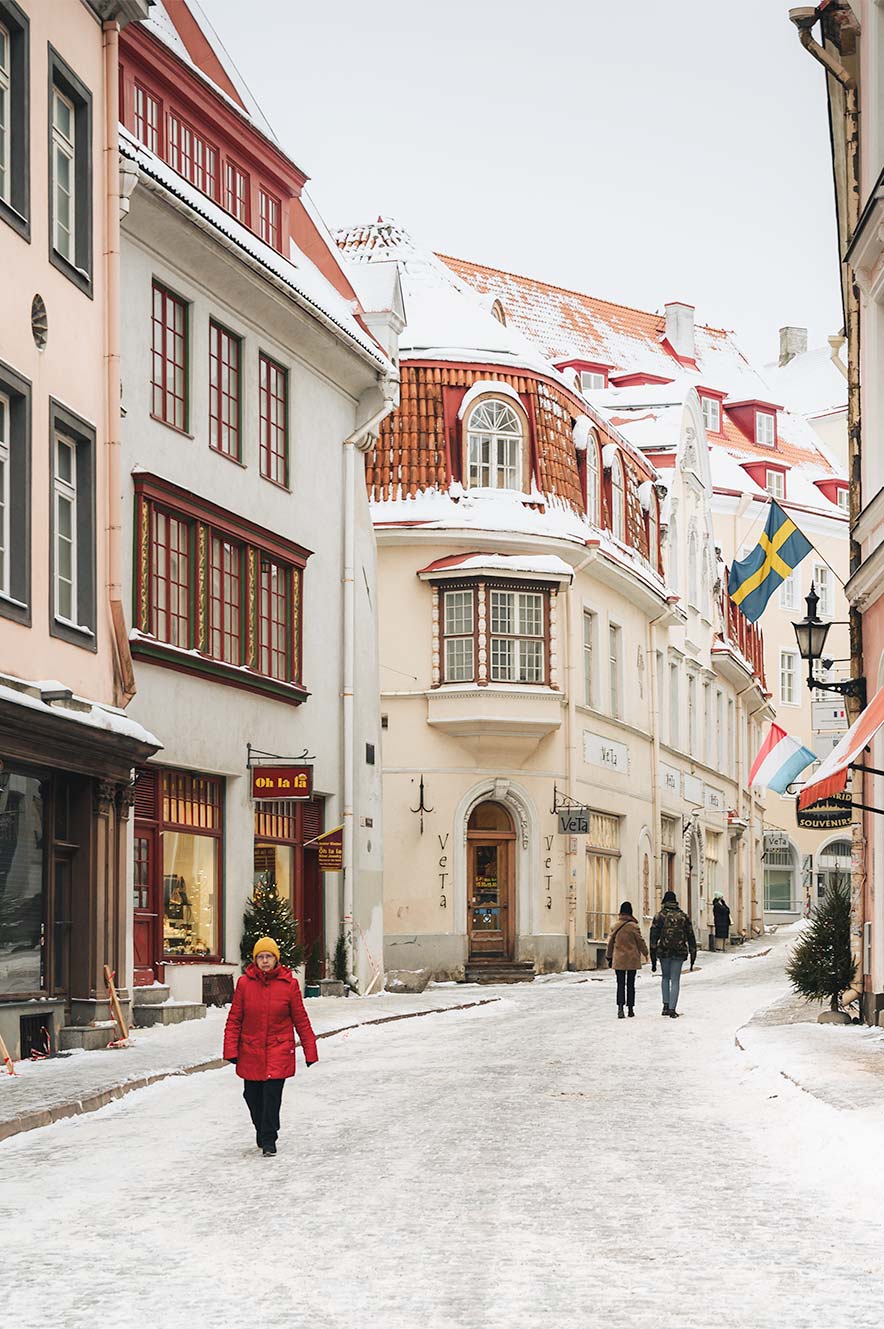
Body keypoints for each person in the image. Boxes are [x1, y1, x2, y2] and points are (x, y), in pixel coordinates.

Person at [223, 936, 318, 1156]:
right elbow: (235, 1018)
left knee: (271, 1096)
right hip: (251, 1050)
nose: (265, 961)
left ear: (276, 959)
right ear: (255, 960)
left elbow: (300, 1019)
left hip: (279, 1049)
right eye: (260, 957)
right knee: (252, 1095)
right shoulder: (244, 984)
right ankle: (262, 1128)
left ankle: (269, 1139)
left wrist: (310, 1049)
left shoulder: (289, 984)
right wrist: (231, 1049)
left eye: (269, 957)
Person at [650, 890, 697, 1019]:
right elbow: (691, 935)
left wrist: (653, 957)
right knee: (675, 979)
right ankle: (672, 1008)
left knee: (665, 977)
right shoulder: (683, 916)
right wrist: (693, 953)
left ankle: (665, 1005)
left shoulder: (659, 916)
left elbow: (653, 937)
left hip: (664, 951)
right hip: (679, 951)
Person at [606, 901, 649, 1019]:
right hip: (632, 959)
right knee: (630, 984)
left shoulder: (615, 926)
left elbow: (610, 943)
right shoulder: (634, 927)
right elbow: (640, 941)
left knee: (620, 984)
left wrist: (609, 956)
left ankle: (620, 1008)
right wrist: (646, 952)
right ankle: (630, 1009)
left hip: (619, 959)